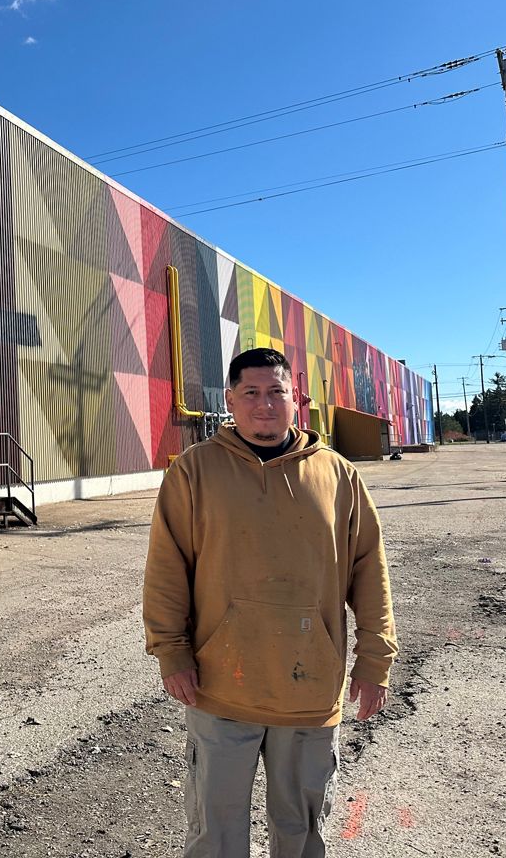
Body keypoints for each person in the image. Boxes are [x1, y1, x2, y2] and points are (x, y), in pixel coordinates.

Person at [143, 347, 397, 858]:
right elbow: (167, 571)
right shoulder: (194, 472)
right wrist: (171, 652)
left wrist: (375, 660)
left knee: (301, 829)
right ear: (231, 401)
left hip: (309, 690)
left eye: (276, 392)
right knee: (215, 829)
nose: (264, 405)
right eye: (251, 393)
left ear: (295, 400)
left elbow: (370, 573)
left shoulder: (338, 475)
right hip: (220, 685)